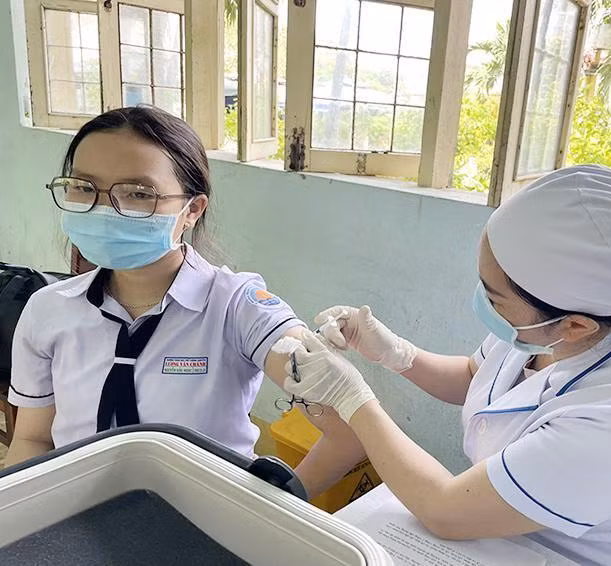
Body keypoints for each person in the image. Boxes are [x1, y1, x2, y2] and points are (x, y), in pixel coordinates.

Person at [282, 165, 611, 565]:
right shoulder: (551, 326)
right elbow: (474, 378)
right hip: (504, 544)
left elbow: (444, 510)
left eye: (494, 298)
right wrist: (396, 353)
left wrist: (351, 397)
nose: (484, 304)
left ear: (577, 325)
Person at [3, 107, 362, 493]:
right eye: (84, 187)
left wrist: (270, 512)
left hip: (203, 524)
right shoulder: (48, 309)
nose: (104, 209)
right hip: (79, 513)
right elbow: (33, 439)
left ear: (191, 210)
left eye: (139, 193)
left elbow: (349, 432)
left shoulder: (238, 307)